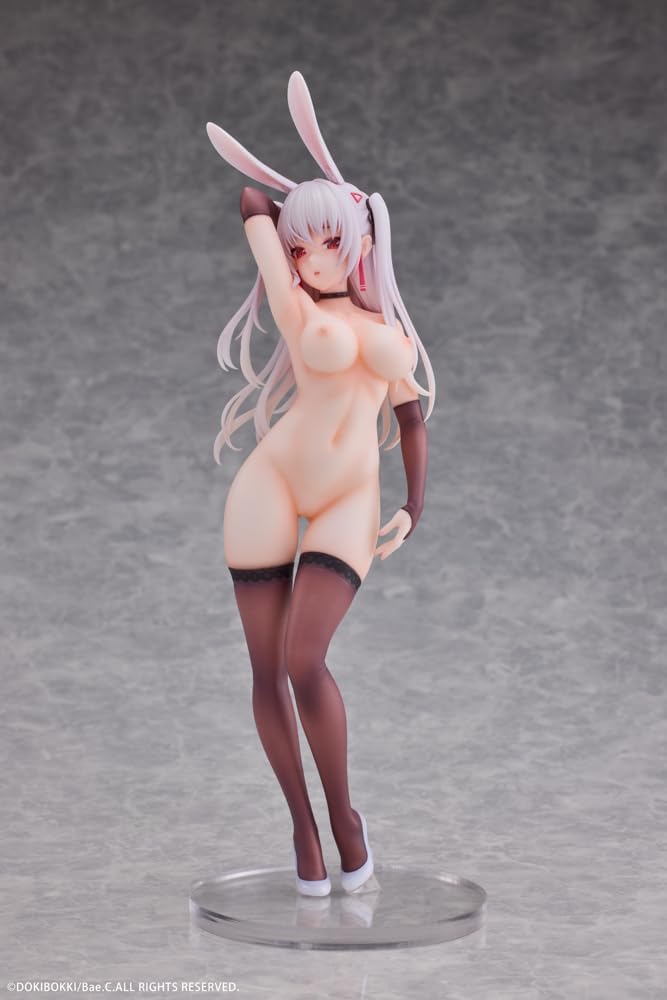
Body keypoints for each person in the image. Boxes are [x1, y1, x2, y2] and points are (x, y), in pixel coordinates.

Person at [206, 71, 435, 897]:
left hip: (348, 500)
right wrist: (304, 203)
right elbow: (248, 199)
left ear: (361, 240)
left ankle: (344, 818)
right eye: (298, 248)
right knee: (265, 669)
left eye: (325, 242)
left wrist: (412, 505)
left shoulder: (385, 332)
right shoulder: (297, 309)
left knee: (306, 660)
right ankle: (302, 829)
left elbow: (410, 418)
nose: (306, 260)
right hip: (270, 485)